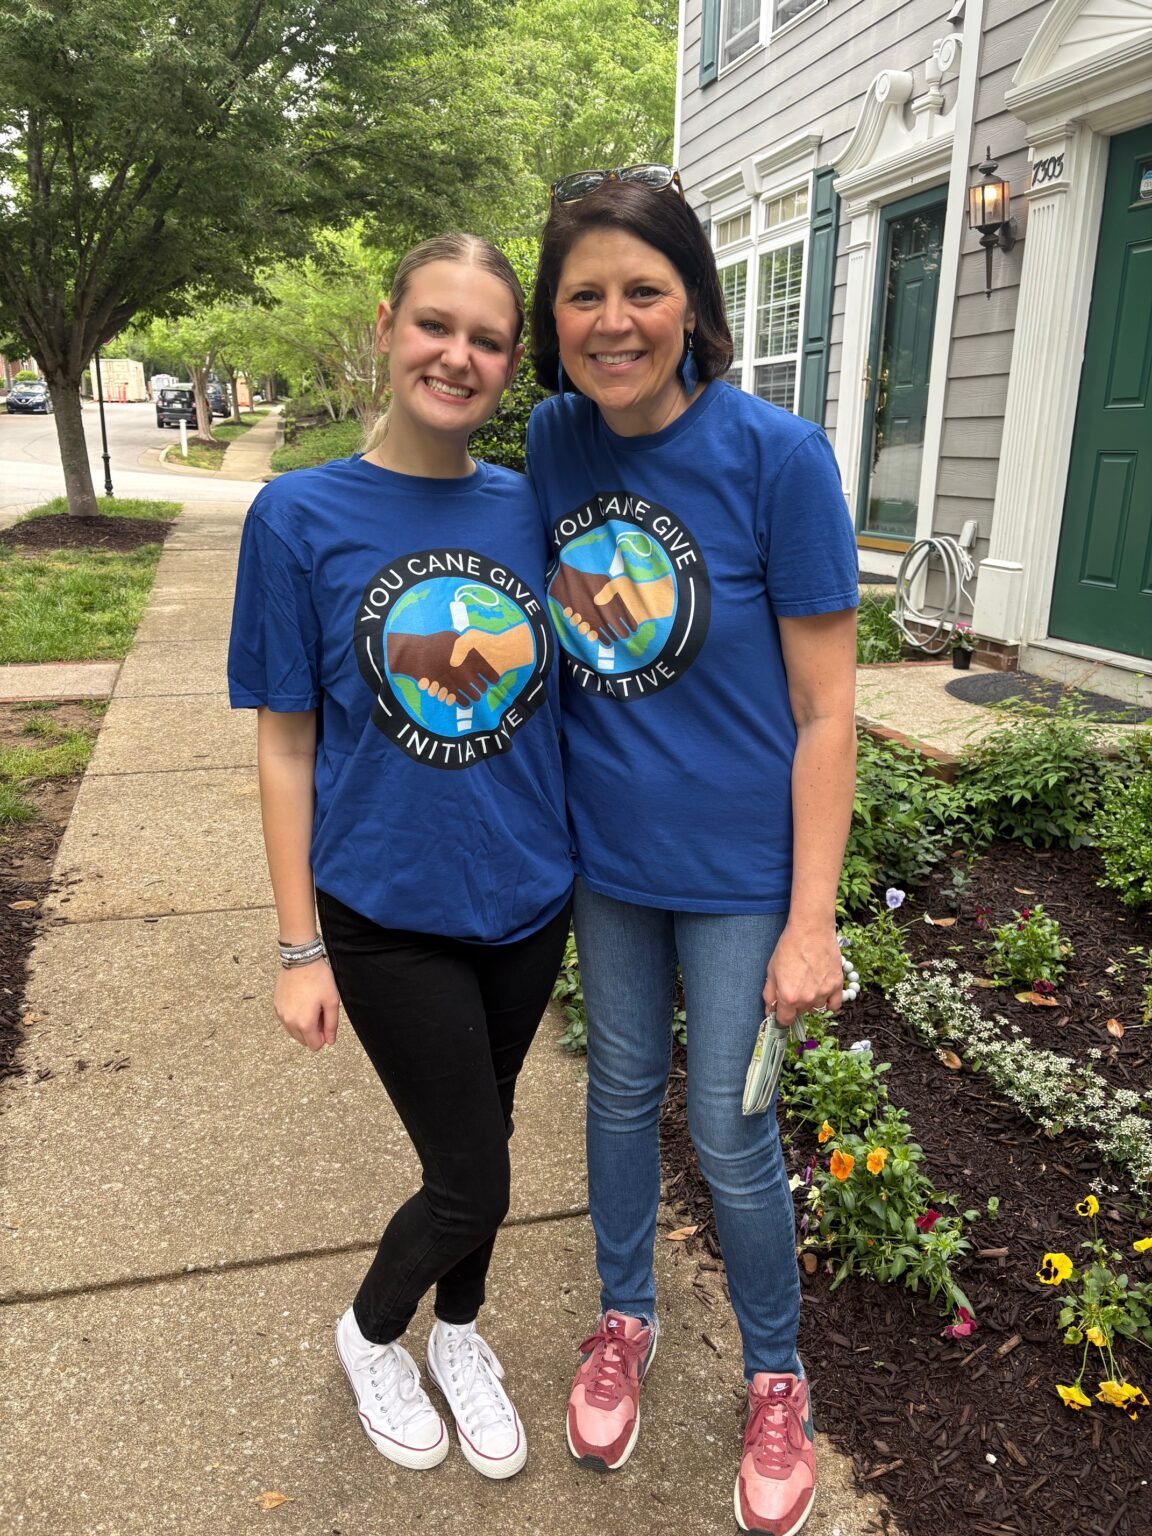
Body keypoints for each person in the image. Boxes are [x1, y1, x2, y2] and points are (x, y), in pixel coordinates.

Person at [527, 167, 859, 1536]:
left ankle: (777, 1378)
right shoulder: (555, 443)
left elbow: (828, 709)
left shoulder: (777, 459)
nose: (615, 320)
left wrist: (813, 916)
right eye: (586, 294)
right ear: (556, 318)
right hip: (608, 863)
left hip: (738, 879)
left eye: (643, 290)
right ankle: (625, 1318)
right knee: (613, 1101)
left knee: (731, 1134)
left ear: (694, 306)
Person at [227, 233, 573, 1482]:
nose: (458, 355)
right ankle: (377, 1334)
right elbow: (283, 745)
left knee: (479, 1139)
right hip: (384, 910)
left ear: (511, 360)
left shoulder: (533, 507)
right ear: (387, 325)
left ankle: (463, 1334)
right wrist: (295, 943)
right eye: (436, 325)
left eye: (487, 338)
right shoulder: (299, 515)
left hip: (533, 897)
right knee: (473, 1178)